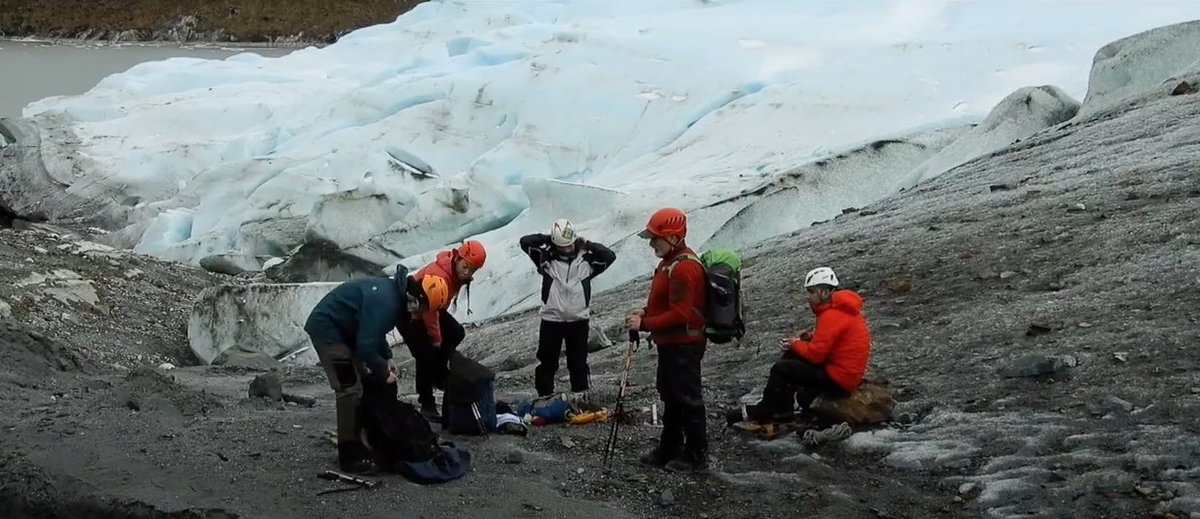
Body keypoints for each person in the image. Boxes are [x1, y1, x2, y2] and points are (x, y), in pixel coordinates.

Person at [303, 265, 451, 474]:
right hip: (328, 330)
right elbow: (366, 345)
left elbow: (374, 330)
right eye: (424, 308)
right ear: (417, 298)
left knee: (363, 381)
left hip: (345, 331)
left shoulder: (393, 296)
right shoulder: (388, 302)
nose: (420, 314)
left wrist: (387, 358)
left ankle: (365, 438)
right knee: (349, 389)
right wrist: (383, 372)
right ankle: (349, 455)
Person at [727, 266, 872, 427]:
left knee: (782, 368)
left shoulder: (832, 315)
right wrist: (809, 338)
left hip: (839, 378)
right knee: (792, 357)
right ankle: (782, 409)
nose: (808, 297)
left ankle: (767, 410)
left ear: (824, 292)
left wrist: (795, 343)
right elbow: (833, 342)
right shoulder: (840, 310)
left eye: (811, 292)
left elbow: (817, 355)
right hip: (845, 373)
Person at [625, 207, 709, 473]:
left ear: (673, 237)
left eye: (655, 237)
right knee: (672, 395)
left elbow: (681, 314)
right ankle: (670, 447)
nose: (651, 243)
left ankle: (696, 454)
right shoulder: (669, 264)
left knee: (687, 398)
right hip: (672, 343)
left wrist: (645, 323)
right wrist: (646, 312)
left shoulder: (684, 267)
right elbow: (670, 305)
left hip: (684, 344)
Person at [519, 218, 617, 398]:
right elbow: (525, 242)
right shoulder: (545, 258)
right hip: (551, 320)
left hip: (578, 320)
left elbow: (609, 256)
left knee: (578, 361)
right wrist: (550, 238)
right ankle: (544, 396)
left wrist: (587, 244)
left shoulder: (587, 260)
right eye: (562, 246)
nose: (567, 249)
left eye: (569, 245)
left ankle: (580, 395)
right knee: (547, 362)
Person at [395, 239, 487, 421]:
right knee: (425, 353)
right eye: (465, 266)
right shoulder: (440, 277)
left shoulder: (453, 270)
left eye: (472, 270)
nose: (467, 272)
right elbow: (430, 314)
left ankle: (439, 374)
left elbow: (435, 309)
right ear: (458, 258)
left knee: (456, 332)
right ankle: (427, 404)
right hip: (410, 312)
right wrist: (436, 340)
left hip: (431, 308)